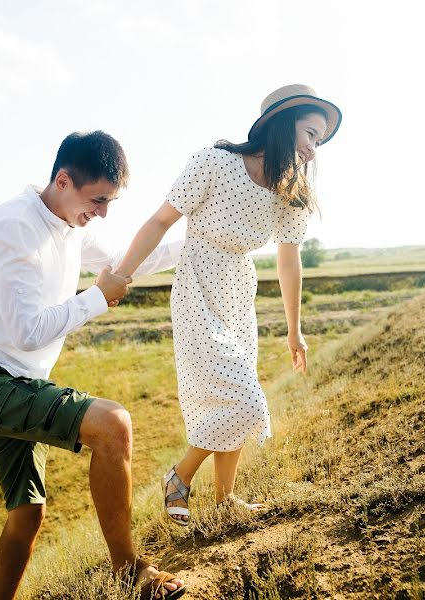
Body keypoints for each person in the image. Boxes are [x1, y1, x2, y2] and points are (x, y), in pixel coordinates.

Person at [0, 131, 187, 600]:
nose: (104, 212)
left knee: (28, 512)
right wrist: (98, 297)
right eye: (99, 200)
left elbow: (121, 262)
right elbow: (27, 330)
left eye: (110, 202)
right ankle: (129, 571)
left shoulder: (69, 225)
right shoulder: (15, 227)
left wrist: (196, 242)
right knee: (113, 425)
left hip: (17, 380)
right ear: (64, 180)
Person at [114, 84, 342, 525]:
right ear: (282, 122)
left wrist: (295, 331)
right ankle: (179, 477)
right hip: (198, 283)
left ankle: (224, 500)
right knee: (245, 398)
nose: (314, 148)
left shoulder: (290, 192)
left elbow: (289, 260)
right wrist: (123, 275)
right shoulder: (213, 163)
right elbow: (161, 220)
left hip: (239, 291)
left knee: (231, 396)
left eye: (319, 140)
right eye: (310, 133)